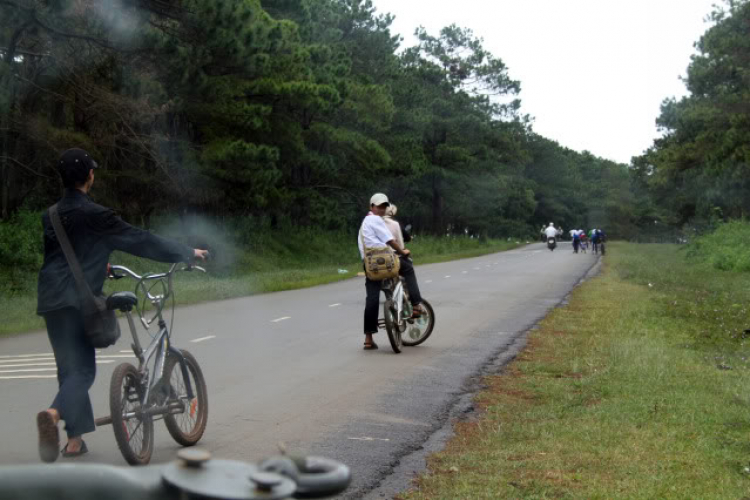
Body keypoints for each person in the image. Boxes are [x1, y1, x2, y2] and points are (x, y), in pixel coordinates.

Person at [35, 148, 209, 463]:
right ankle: (52, 413)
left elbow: (62, 256)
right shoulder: (97, 215)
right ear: (89, 176)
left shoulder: (51, 215)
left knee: (68, 368)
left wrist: (98, 263)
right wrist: (186, 252)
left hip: (50, 300)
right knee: (83, 370)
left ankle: (74, 441)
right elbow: (141, 240)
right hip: (78, 300)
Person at [359, 194, 424, 350]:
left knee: (372, 298)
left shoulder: (364, 223)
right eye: (378, 206)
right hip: (386, 262)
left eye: (384, 206)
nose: (381, 209)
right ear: (371, 207)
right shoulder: (376, 220)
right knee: (407, 268)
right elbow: (390, 241)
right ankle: (416, 305)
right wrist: (402, 251)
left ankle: (368, 338)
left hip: (370, 265)